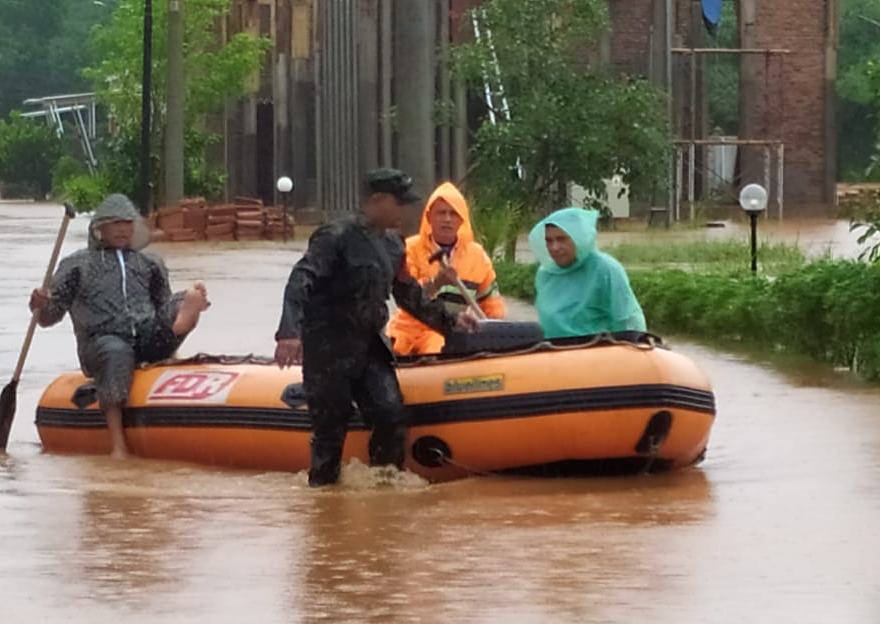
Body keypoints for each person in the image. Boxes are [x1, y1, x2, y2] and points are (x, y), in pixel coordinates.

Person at [274, 168, 480, 487]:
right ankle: (324, 505)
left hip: (370, 346)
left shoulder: (394, 245)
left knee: (390, 414)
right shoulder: (336, 236)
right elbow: (301, 279)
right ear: (378, 200)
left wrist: (450, 319)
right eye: (400, 203)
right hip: (328, 348)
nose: (406, 211)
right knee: (330, 431)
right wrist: (289, 332)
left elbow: (409, 294)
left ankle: (382, 493)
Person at [29, 194, 210, 458]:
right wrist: (40, 304)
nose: (123, 229)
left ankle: (185, 317)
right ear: (100, 229)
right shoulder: (77, 265)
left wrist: (173, 340)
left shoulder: (149, 264)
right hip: (101, 343)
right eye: (115, 224)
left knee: (177, 303)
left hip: (146, 336)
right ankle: (118, 445)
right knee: (116, 350)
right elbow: (48, 317)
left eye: (127, 223)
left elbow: (162, 305)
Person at [386, 181, 506, 355]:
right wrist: (437, 283)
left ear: (461, 220)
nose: (447, 219)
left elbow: (492, 305)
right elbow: (408, 297)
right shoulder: (409, 249)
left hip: (450, 331)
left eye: (453, 214)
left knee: (439, 344)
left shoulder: (477, 256)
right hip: (407, 331)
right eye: (441, 213)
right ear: (429, 217)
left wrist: (497, 335)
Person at [527, 206, 646, 338]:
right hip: (554, 352)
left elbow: (628, 320)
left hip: (595, 353)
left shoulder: (605, 269)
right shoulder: (546, 273)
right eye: (549, 241)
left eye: (562, 239)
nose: (554, 247)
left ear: (579, 238)